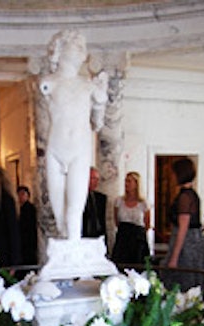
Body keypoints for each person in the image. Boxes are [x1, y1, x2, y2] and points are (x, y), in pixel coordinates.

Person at [40, 29, 108, 240]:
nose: (81, 52)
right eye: (76, 46)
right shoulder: (48, 83)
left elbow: (98, 123)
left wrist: (101, 98)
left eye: (82, 48)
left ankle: (75, 256)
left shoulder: (87, 85)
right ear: (60, 50)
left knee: (74, 214)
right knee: (59, 217)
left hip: (79, 149)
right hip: (55, 149)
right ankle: (66, 258)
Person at [161, 157, 204, 293]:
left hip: (187, 245)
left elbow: (183, 227)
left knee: (181, 283)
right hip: (191, 241)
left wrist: (174, 258)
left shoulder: (185, 197)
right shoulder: (190, 194)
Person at [111, 171, 150, 266]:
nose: (126, 184)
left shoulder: (143, 203)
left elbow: (147, 223)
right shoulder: (119, 201)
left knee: (137, 263)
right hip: (123, 236)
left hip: (137, 237)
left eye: (129, 181)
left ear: (136, 184)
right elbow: (116, 220)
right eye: (125, 181)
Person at [82, 166, 107, 242]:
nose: (96, 182)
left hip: (97, 237)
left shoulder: (101, 198)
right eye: (93, 178)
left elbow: (102, 221)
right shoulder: (79, 196)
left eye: (97, 179)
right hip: (83, 236)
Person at [17, 185, 38, 273]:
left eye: (23, 194)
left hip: (29, 241)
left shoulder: (30, 209)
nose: (21, 197)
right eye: (19, 194)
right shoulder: (18, 209)